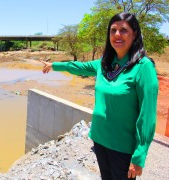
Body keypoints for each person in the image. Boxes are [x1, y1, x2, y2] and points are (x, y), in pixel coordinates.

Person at [40, 12, 158, 180]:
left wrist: (140, 155)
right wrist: (54, 65)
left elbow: (147, 116)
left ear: (135, 34)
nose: (117, 34)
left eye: (124, 30)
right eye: (113, 30)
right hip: (100, 139)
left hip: (122, 147)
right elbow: (79, 67)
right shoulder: (105, 63)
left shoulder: (143, 67)